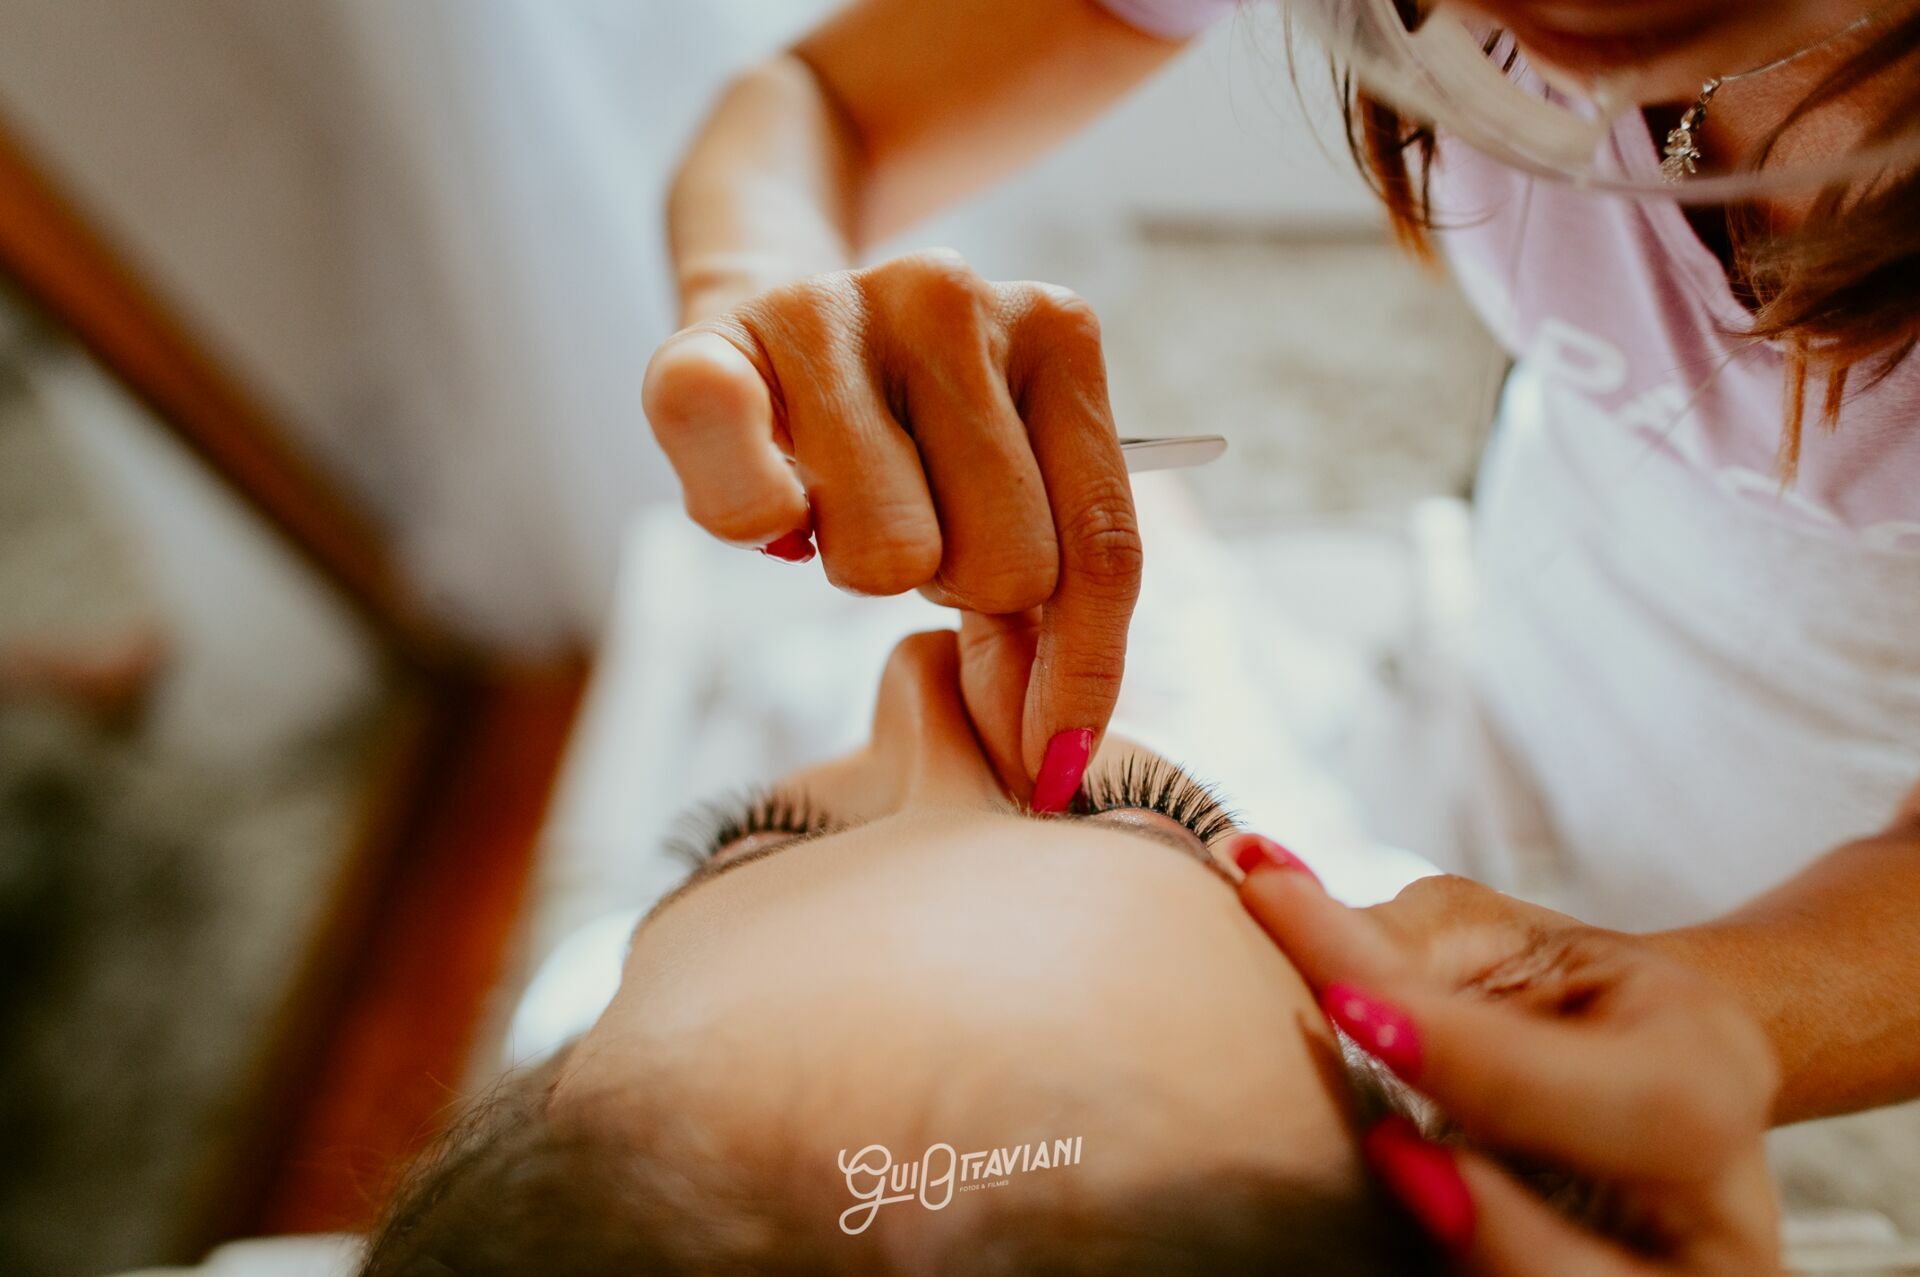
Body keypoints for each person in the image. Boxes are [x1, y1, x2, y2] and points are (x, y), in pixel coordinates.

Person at [639, 0, 1920, 1161]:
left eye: (780, 829)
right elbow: (814, 108)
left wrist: (1754, 1004)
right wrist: (769, 317)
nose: (913, 692)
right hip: (1529, 673)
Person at [356, 630, 1786, 1275]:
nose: (917, 676)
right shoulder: (1397, 886)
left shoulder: (580, 1006)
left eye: (751, 832)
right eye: (1152, 814)